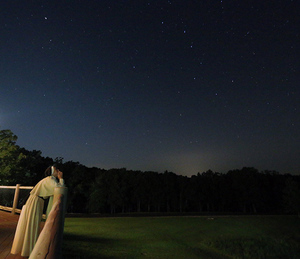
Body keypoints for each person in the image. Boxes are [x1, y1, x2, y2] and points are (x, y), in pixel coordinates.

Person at [10, 165, 65, 257]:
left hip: (35, 201)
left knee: (30, 224)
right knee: (32, 224)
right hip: (35, 202)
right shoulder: (50, 179)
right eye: (56, 170)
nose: (58, 171)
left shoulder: (49, 179)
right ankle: (29, 250)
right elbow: (60, 189)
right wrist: (61, 178)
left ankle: (27, 249)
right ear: (52, 172)